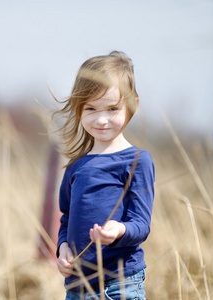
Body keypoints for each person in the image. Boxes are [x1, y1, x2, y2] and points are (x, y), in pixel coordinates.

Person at [54, 51, 155, 300]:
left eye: (112, 108)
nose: (101, 119)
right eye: (91, 108)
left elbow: (141, 224)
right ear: (78, 108)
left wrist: (119, 230)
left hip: (120, 283)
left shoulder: (137, 161)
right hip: (77, 286)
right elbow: (66, 218)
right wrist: (62, 248)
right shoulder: (76, 167)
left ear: (132, 105)